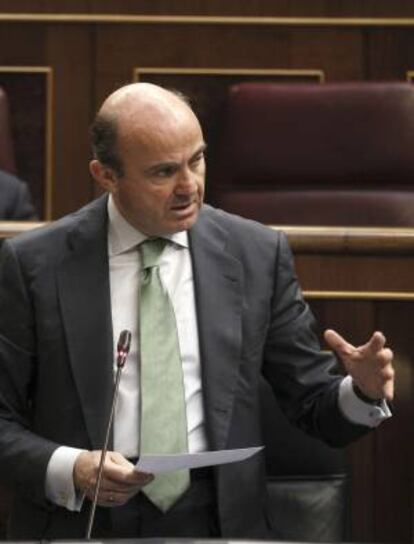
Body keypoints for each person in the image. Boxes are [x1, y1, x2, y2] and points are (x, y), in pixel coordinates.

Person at [0, 83, 394, 540]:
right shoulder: (34, 266)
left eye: (197, 160)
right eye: (164, 171)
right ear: (106, 175)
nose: (189, 186)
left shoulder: (256, 255)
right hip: (85, 515)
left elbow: (312, 403)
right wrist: (70, 468)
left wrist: (362, 393)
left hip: (216, 518)